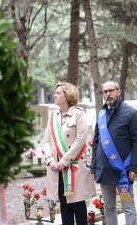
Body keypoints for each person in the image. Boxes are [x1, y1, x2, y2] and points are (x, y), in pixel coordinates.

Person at [91, 80, 137, 225]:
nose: (108, 94)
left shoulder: (131, 113)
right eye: (105, 92)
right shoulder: (101, 115)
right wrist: (94, 167)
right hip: (104, 169)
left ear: (118, 92)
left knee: (128, 207)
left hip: (123, 171)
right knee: (108, 208)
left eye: (111, 90)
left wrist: (134, 167)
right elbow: (96, 142)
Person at [43, 82, 96, 225]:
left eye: (58, 93)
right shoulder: (53, 116)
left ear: (68, 95)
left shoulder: (79, 114)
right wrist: (50, 160)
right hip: (57, 169)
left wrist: (64, 160)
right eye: (55, 92)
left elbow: (80, 140)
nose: (55, 95)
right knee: (64, 205)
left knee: (78, 205)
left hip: (74, 167)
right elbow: (46, 141)